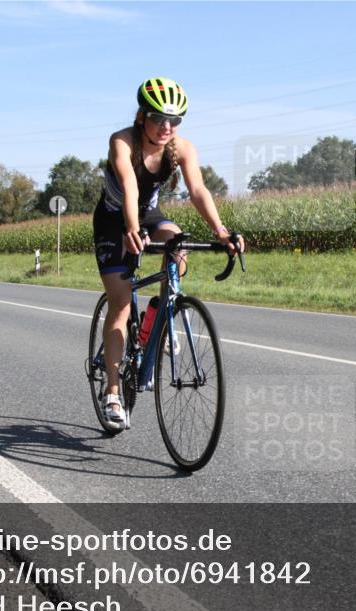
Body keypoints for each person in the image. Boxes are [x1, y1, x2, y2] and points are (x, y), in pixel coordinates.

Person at [93, 76, 244, 430]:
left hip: (149, 214)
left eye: (175, 121)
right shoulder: (123, 142)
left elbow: (198, 190)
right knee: (121, 302)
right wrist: (132, 229)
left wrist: (221, 231)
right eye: (159, 118)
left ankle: (157, 324)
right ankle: (113, 393)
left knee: (178, 243)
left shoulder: (183, 147)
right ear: (142, 116)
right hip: (115, 218)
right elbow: (129, 186)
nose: (167, 127)